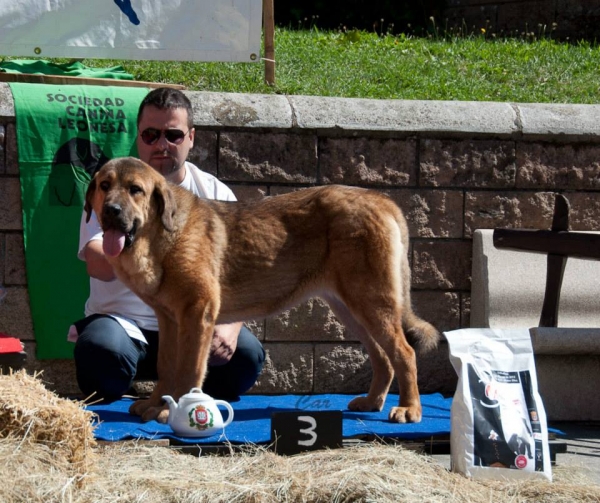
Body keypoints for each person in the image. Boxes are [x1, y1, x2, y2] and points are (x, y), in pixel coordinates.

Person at [69, 87, 265, 403]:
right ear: (137, 137)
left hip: (192, 326)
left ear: (191, 137)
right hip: (125, 328)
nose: (161, 145)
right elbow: (96, 264)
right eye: (150, 134)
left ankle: (190, 398)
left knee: (245, 359)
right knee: (100, 357)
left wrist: (228, 327)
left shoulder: (214, 192)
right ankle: (135, 385)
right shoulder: (110, 190)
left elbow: (238, 275)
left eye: (173, 135)